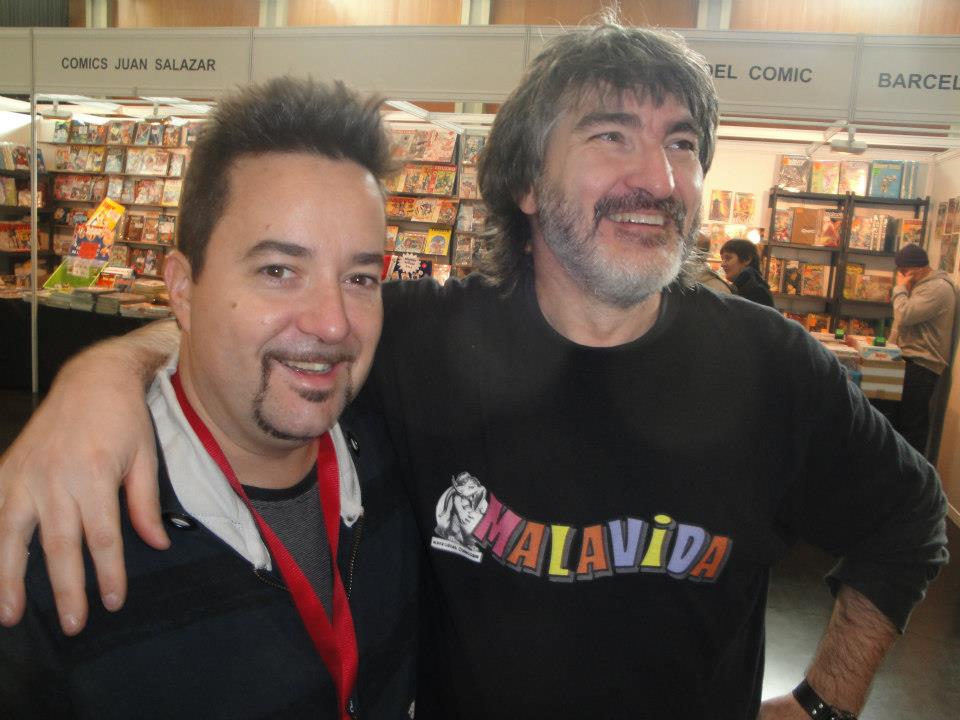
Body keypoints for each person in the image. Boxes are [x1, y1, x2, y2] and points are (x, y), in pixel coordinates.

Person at [0, 21, 949, 720]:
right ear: (526, 183)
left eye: (682, 144)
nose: (658, 179)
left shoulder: (771, 364)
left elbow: (910, 520)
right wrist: (105, 375)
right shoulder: (424, 338)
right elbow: (286, 324)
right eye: (611, 135)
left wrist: (824, 704)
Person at [0, 78, 418, 719]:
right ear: (182, 289)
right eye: (278, 270)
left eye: (359, 277)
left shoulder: (400, 457)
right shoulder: (58, 533)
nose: (334, 323)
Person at [888, 242, 958, 455]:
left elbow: (905, 315)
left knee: (912, 425)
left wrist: (899, 289)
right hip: (910, 361)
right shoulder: (922, 286)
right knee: (900, 422)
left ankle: (912, 471)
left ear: (916, 269)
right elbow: (901, 323)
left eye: (904, 272)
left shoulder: (937, 288)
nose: (901, 277)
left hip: (922, 365)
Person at [720, 237, 776, 307]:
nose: (722, 264)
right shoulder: (745, 286)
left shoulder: (755, 291)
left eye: (728, 258)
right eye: (722, 259)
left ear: (747, 259)